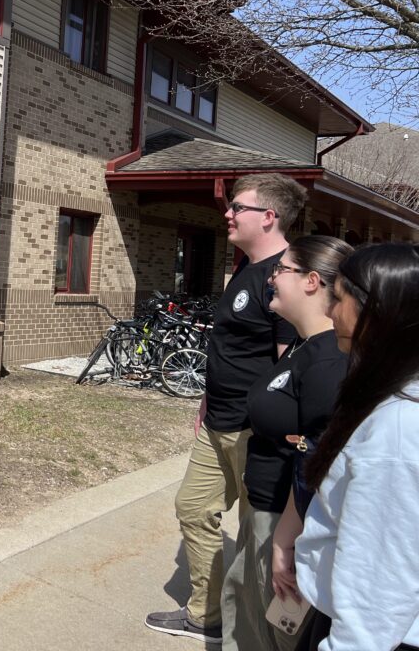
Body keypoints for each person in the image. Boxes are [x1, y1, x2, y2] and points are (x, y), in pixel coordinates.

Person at [146, 173, 306, 644]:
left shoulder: (287, 274)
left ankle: (268, 637)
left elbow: (289, 366)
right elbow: (231, 348)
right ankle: (206, 615)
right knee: (193, 508)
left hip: (254, 432)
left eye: (239, 207)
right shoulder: (245, 268)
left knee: (262, 541)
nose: (229, 213)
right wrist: (206, 398)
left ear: (269, 217)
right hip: (217, 421)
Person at [270, 243, 419, 651]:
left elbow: (379, 588)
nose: (331, 311)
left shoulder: (398, 430)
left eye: (339, 299)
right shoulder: (392, 400)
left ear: (378, 313)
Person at [221, 236, 352, 651]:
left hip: (285, 522)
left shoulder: (330, 361)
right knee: (247, 620)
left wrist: (285, 540)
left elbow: (319, 458)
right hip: (265, 511)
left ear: (312, 281)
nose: (271, 277)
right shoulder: (303, 345)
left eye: (282, 269)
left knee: (274, 637)